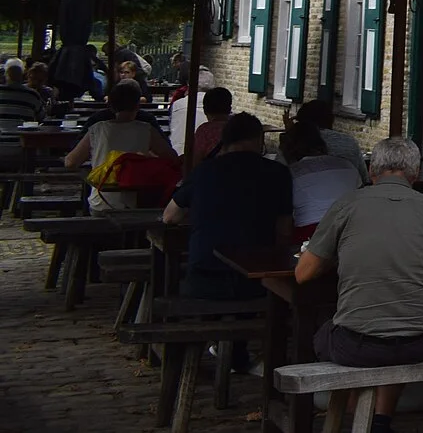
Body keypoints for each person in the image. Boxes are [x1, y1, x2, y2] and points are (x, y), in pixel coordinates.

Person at [295, 137, 423, 433]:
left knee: (327, 331)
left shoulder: (347, 203)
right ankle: (381, 420)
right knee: (398, 324)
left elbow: (303, 274)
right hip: (421, 342)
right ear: (415, 175)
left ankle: (354, 414)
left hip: (356, 346)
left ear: (372, 170)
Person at [163, 113, 293, 302]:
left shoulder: (204, 171)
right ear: (259, 140)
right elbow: (284, 230)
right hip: (257, 280)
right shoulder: (279, 174)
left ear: (224, 141)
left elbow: (169, 217)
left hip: (204, 276)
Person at [64, 78, 176, 211]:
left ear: (110, 105)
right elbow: (171, 157)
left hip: (101, 202)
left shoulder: (98, 128)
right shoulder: (147, 129)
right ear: (137, 105)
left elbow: (70, 162)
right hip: (137, 203)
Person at [278, 116, 360, 241]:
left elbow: (283, 214)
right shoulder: (347, 165)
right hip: (351, 228)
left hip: (311, 232)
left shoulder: (291, 173)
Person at [297, 97, 370, 183]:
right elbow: (364, 178)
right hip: (349, 192)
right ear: (331, 119)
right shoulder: (350, 142)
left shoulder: (295, 143)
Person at [184, 85, 235, 161]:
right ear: (229, 108)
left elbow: (196, 159)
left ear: (205, 110)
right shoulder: (237, 128)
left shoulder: (204, 131)